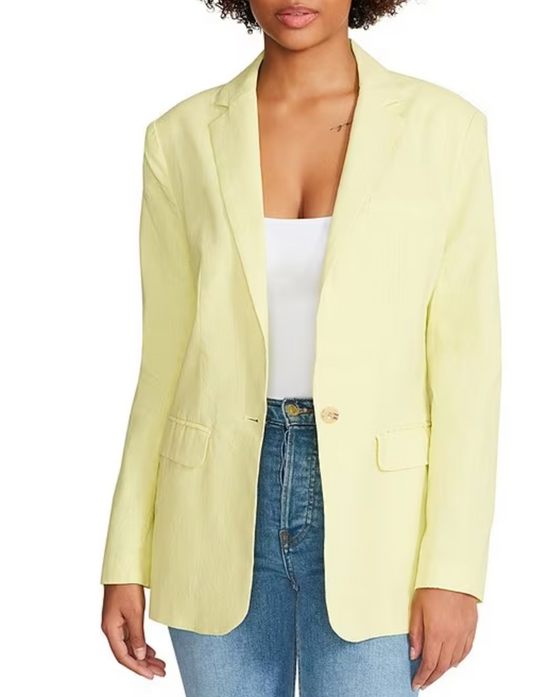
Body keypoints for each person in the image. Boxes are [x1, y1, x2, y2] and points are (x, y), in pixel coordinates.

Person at [100, 1, 502, 695]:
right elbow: (163, 362)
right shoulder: (180, 138)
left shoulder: (445, 130)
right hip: (214, 509)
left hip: (382, 519)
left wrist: (454, 569)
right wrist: (125, 556)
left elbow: (469, 368)